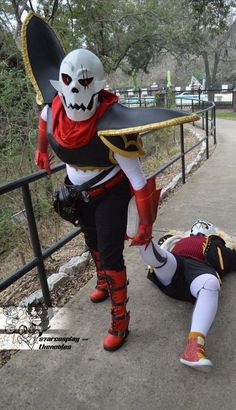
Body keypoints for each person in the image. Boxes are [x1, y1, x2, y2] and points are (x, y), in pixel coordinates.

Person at [21, 12, 199, 352]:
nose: (75, 91)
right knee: (93, 243)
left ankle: (120, 319)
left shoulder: (112, 126)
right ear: (60, 84)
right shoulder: (54, 109)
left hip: (110, 194)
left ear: (98, 86)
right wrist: (42, 152)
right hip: (78, 194)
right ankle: (102, 280)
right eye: (69, 83)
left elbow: (137, 180)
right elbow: (44, 123)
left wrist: (146, 223)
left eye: (84, 83)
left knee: (112, 253)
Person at [138, 219, 236, 371]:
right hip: (176, 264)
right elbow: (166, 244)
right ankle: (142, 236)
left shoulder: (220, 246)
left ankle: (193, 348)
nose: (199, 228)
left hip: (202, 270)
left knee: (211, 283)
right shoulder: (177, 239)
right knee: (163, 259)